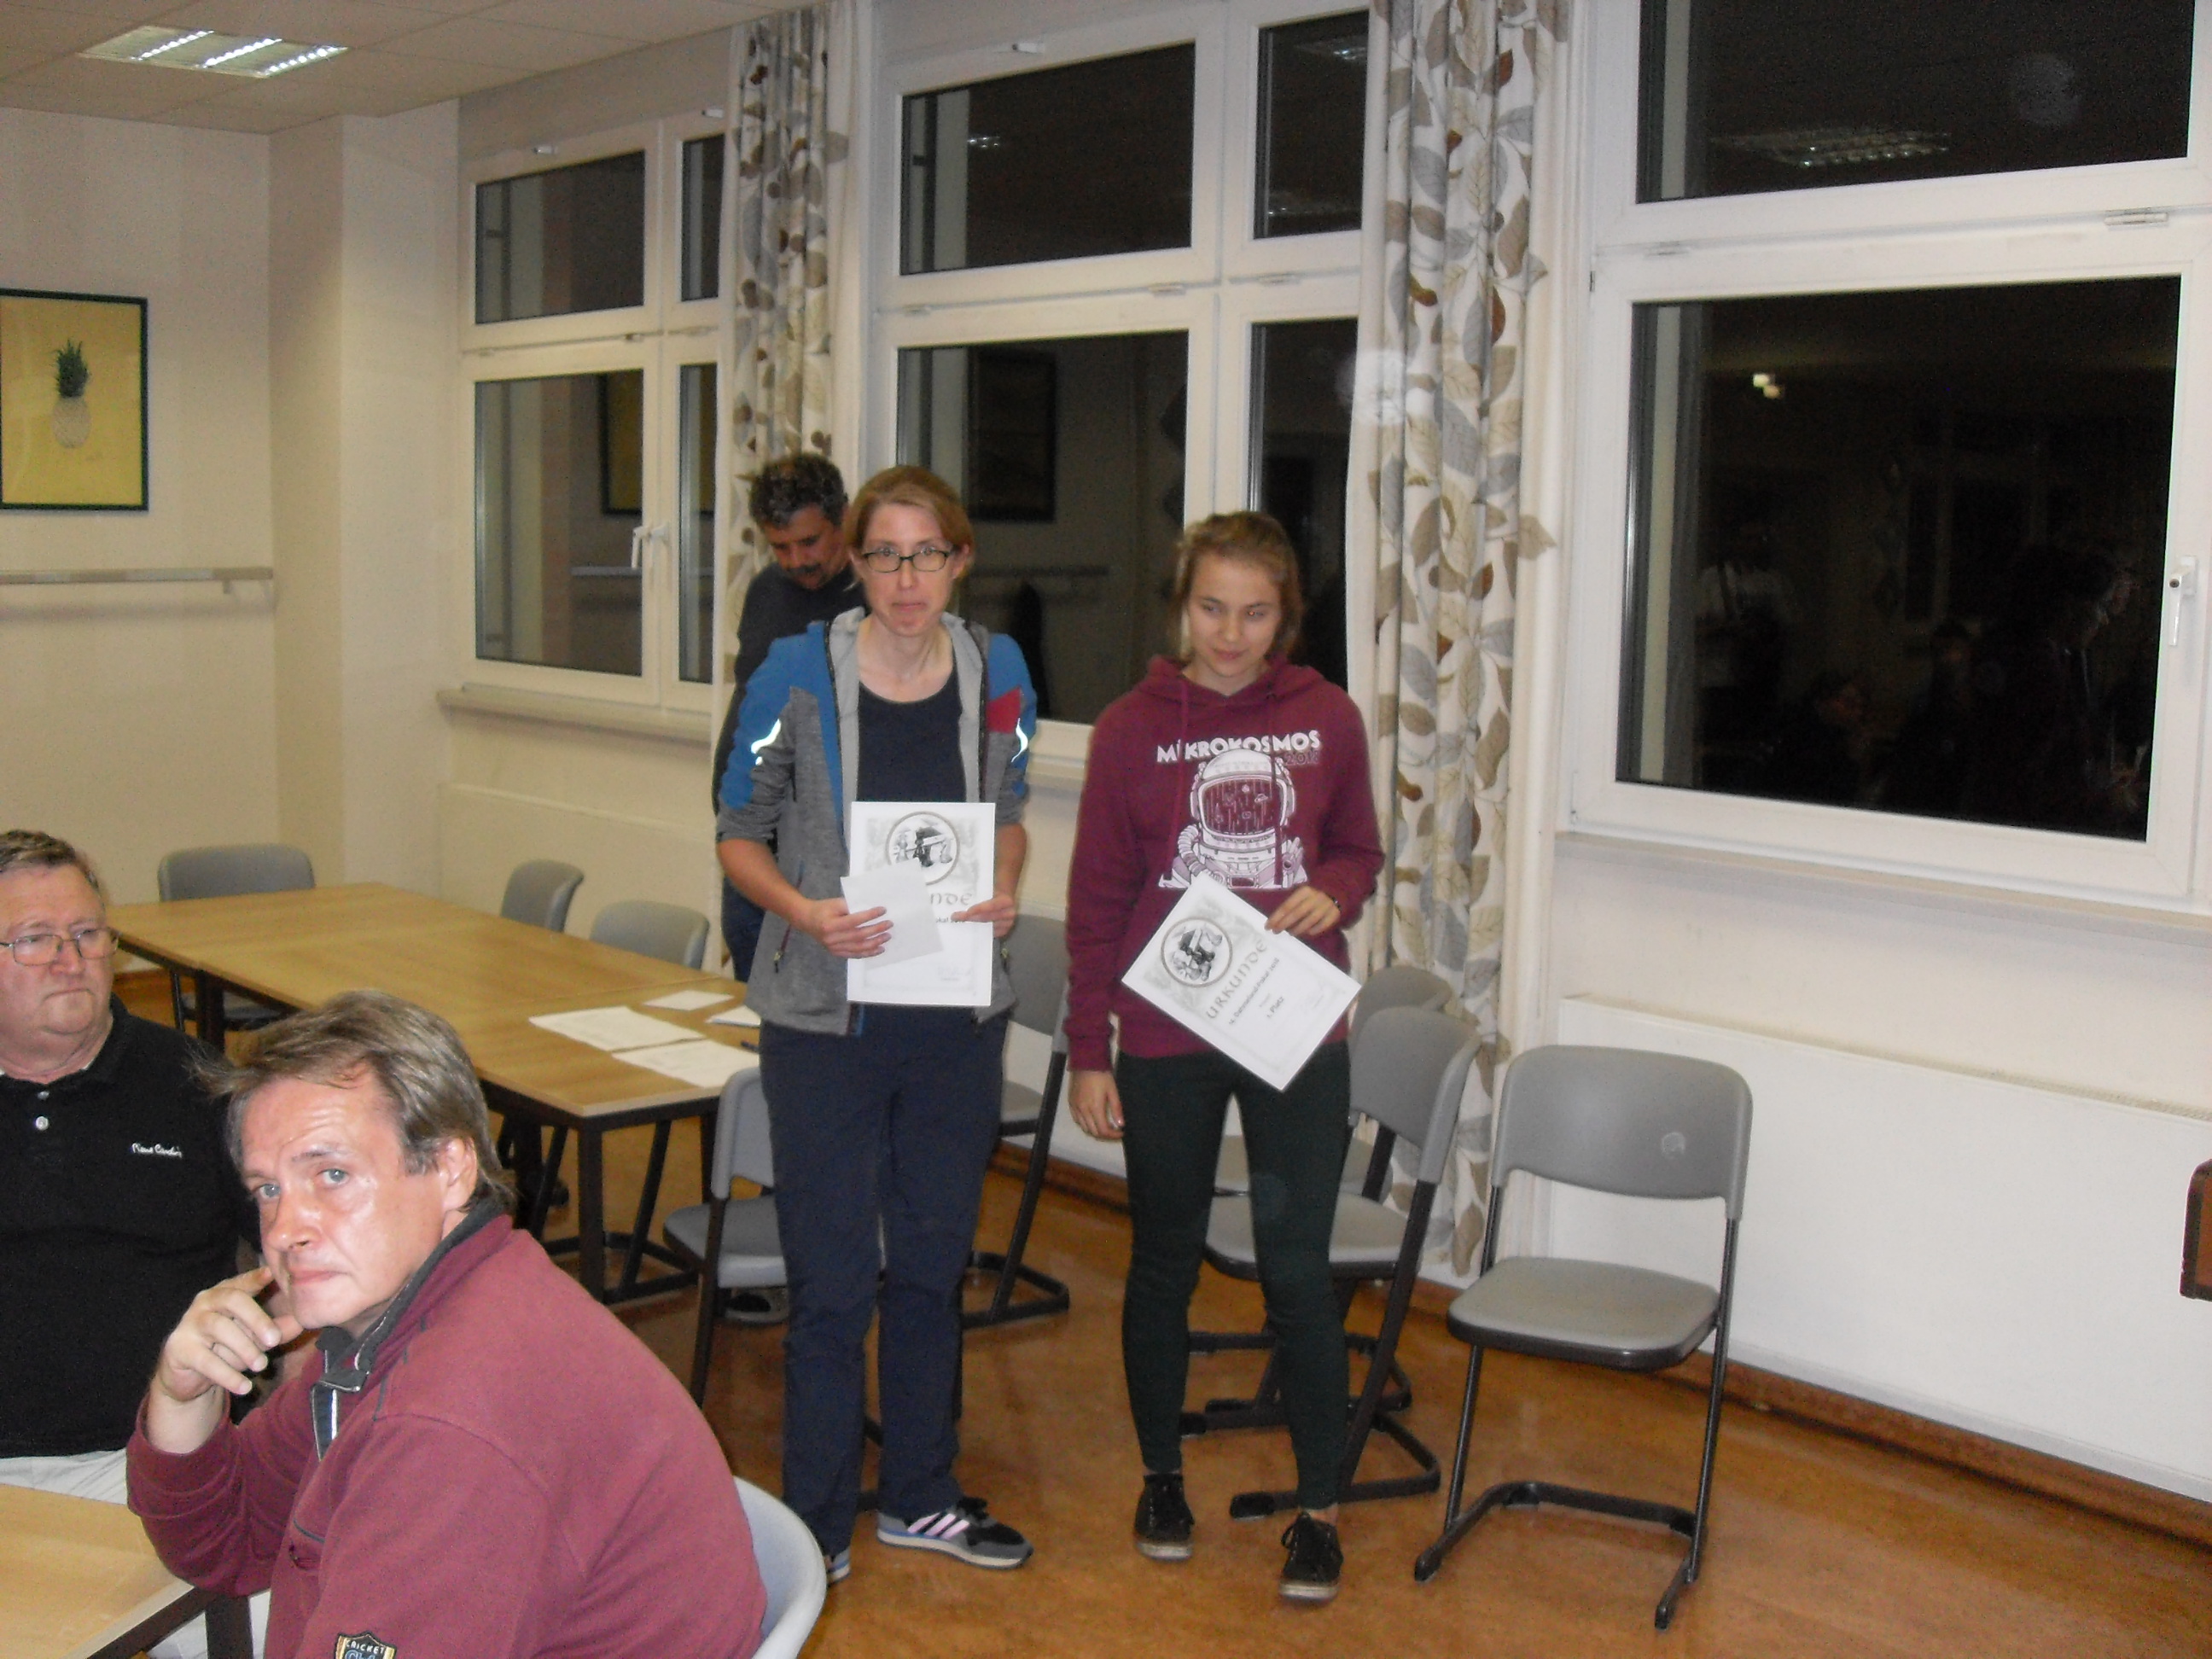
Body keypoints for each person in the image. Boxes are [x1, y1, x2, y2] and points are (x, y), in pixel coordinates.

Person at [126, 990, 766, 1659]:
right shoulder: (409, 1315)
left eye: (333, 1175)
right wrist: (185, 1395)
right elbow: (225, 1543)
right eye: (269, 1190)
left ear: (451, 1169)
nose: (285, 1230)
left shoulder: (449, 1422)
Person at [717, 464, 1039, 1582]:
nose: (908, 578)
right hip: (826, 1024)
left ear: (960, 561)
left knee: (933, 1268)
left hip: (953, 1020)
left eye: (928, 554)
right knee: (833, 1280)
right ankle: (814, 1522)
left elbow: (1008, 809)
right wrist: (806, 911)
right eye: (886, 555)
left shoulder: (999, 670)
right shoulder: (794, 672)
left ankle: (921, 1496)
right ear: (855, 564)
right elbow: (738, 832)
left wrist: (1004, 881)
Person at [1062, 511, 1384, 1604]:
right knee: (1165, 1257)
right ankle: (1163, 1480)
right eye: (1212, 608)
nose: (1232, 634)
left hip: (1293, 1029)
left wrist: (1334, 889)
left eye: (1255, 612)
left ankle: (1320, 1511)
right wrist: (1089, 1049)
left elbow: (1358, 847)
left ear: (1284, 616)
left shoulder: (1327, 718)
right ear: (1181, 607)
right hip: (1166, 1035)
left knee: (1297, 1273)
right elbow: (1097, 903)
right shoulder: (1129, 730)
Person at [0, 830, 249, 1659]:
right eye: (36, 940)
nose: (70, 960)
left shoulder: (195, 1085)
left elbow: (303, 1262)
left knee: (294, 1635)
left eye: (88, 934)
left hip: (151, 1467)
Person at [710, 454, 864, 980]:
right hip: (753, 852)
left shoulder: (879, 598)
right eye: (780, 547)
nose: (796, 560)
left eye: (809, 541)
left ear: (844, 517)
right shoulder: (766, 591)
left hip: (828, 867)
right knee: (749, 1010)